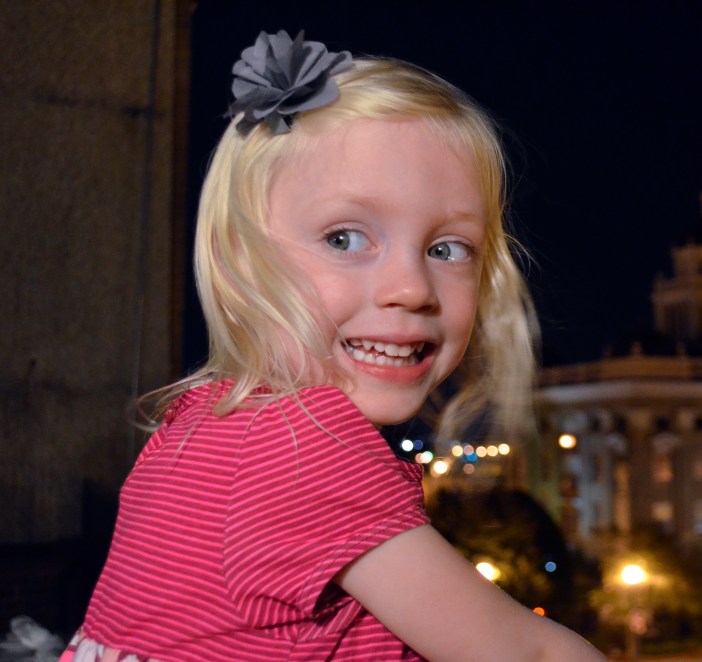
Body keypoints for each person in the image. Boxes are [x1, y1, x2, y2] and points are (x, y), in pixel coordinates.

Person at [64, 30, 605, 662]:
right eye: (345, 239)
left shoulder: (205, 423)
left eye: (446, 249)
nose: (411, 287)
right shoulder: (308, 449)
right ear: (239, 257)